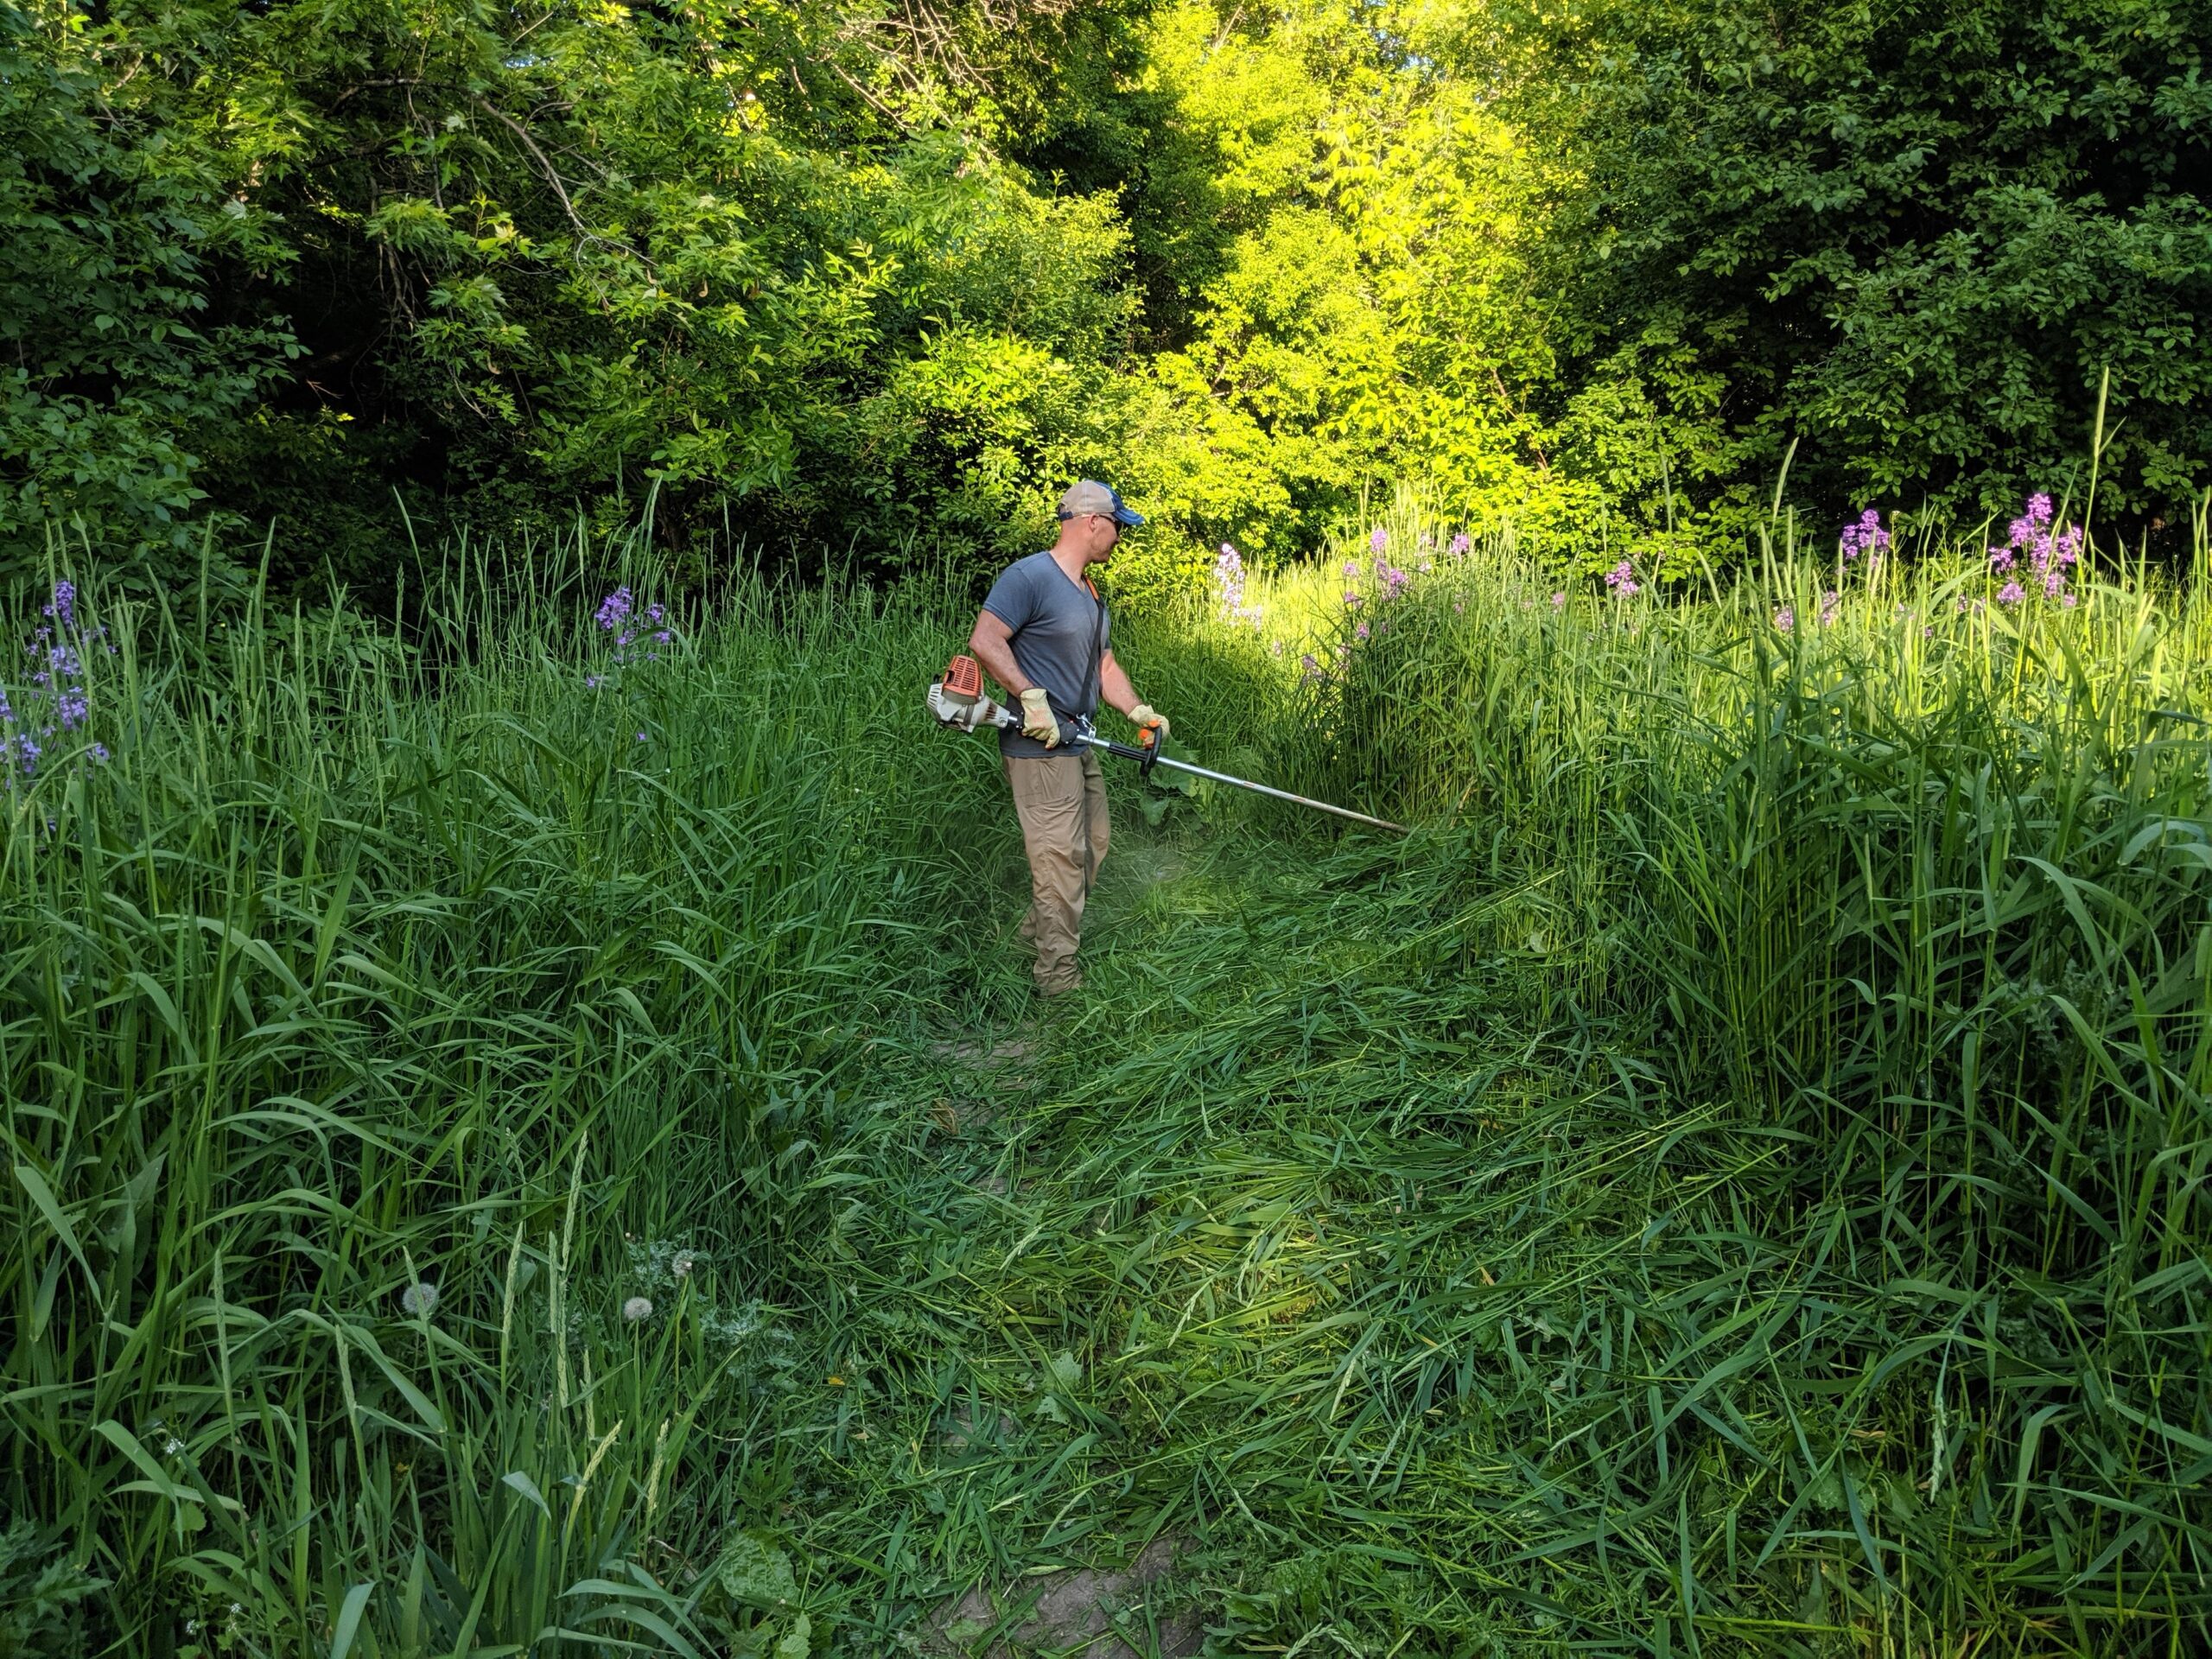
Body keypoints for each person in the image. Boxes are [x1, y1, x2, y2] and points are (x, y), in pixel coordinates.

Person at [967, 480, 1169, 996]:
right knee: (1060, 861)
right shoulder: (1029, 577)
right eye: (1118, 526)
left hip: (1079, 741)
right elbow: (985, 641)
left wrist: (1137, 710)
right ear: (1092, 521)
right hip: (1039, 748)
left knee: (1091, 847)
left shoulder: (1090, 593)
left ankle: (1030, 940)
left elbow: (1103, 664)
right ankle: (1056, 981)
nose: (1121, 536)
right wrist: (1029, 697)